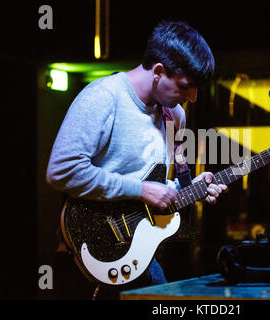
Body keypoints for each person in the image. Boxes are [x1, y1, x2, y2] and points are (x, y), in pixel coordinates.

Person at [46, 20, 227, 299]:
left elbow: (161, 186)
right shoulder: (103, 97)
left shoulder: (174, 115)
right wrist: (140, 190)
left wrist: (192, 187)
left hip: (140, 257)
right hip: (86, 256)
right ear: (158, 71)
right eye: (186, 86)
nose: (192, 97)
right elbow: (62, 171)